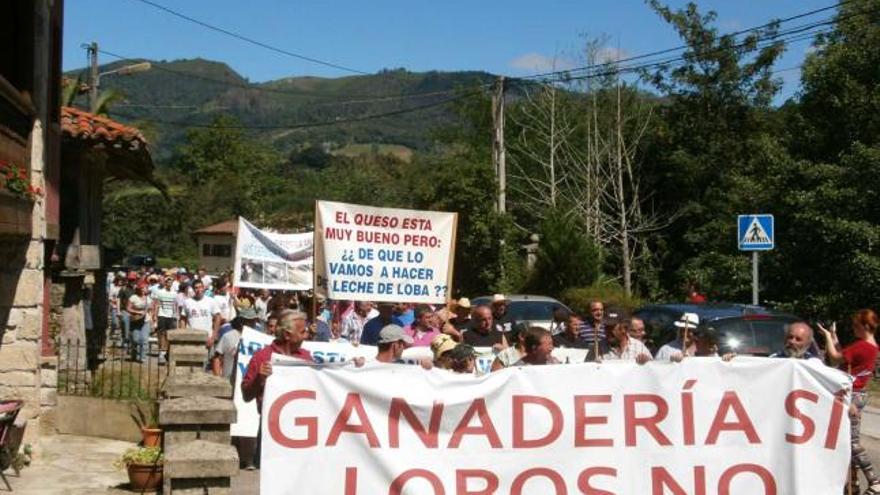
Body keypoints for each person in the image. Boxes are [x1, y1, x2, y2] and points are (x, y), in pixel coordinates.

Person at [818, 310, 880, 494]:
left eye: (855, 326)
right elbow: (843, 355)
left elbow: (835, 358)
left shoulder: (862, 346)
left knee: (851, 443)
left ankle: (875, 482)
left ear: (865, 326)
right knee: (849, 440)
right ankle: (853, 483)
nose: (853, 329)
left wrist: (828, 337)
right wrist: (834, 336)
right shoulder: (871, 346)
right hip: (859, 394)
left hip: (851, 396)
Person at [181, 279, 220, 345]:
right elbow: (183, 319)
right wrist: (183, 334)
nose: (199, 290)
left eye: (200, 287)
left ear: (203, 287)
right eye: (196, 288)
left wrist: (213, 337)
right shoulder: (187, 302)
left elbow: (218, 318)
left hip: (207, 338)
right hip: (191, 337)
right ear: (193, 289)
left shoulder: (211, 301)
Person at [152, 276, 177, 364]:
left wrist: (175, 315)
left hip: (171, 316)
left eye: (170, 282)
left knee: (169, 335)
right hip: (162, 315)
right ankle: (161, 352)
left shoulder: (174, 293)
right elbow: (157, 305)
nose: (169, 283)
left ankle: (167, 352)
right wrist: (154, 316)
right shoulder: (160, 292)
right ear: (165, 283)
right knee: (161, 334)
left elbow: (175, 305)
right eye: (167, 282)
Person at [126, 281, 151, 363]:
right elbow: (128, 308)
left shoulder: (148, 298)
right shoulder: (133, 297)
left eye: (146, 288)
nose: (144, 289)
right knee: (136, 339)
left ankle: (142, 357)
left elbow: (152, 308)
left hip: (146, 320)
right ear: (139, 289)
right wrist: (137, 312)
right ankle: (134, 354)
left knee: (144, 339)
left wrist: (153, 319)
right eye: (143, 288)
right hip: (136, 320)